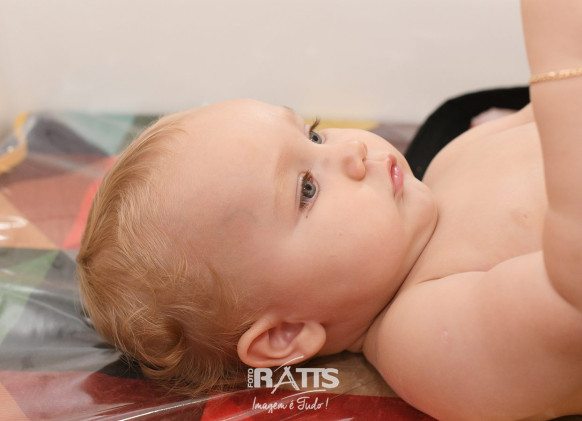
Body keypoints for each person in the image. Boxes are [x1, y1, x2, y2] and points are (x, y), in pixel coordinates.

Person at [76, 1, 582, 419]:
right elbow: (569, 297)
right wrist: (559, 57)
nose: (351, 151)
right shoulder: (421, 336)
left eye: (313, 134)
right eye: (307, 190)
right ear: (286, 334)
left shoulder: (450, 163)